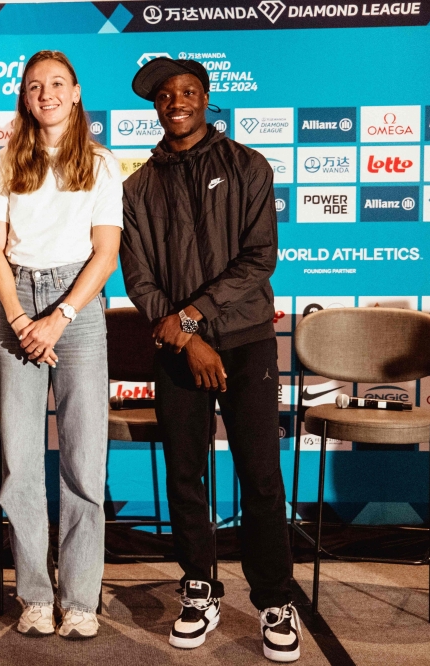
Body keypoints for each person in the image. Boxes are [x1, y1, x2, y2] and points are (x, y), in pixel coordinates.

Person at [120, 58, 301, 662]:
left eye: (189, 92)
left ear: (206, 99)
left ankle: (275, 597)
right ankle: (200, 587)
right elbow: (139, 278)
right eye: (167, 95)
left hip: (246, 340)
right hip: (177, 350)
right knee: (185, 474)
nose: (178, 102)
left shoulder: (249, 165)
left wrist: (195, 318)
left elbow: (258, 260)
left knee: (260, 473)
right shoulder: (137, 186)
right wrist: (186, 338)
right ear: (156, 106)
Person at [0, 50, 122, 639]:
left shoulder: (99, 161)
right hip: (16, 300)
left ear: (76, 91)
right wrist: (19, 319)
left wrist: (60, 316)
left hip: (78, 305)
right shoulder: (4, 160)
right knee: (20, 463)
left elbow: (106, 251)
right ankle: (36, 595)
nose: (46, 93)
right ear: (24, 94)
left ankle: (82, 599)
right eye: (35, 85)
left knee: (83, 461)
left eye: (57, 84)